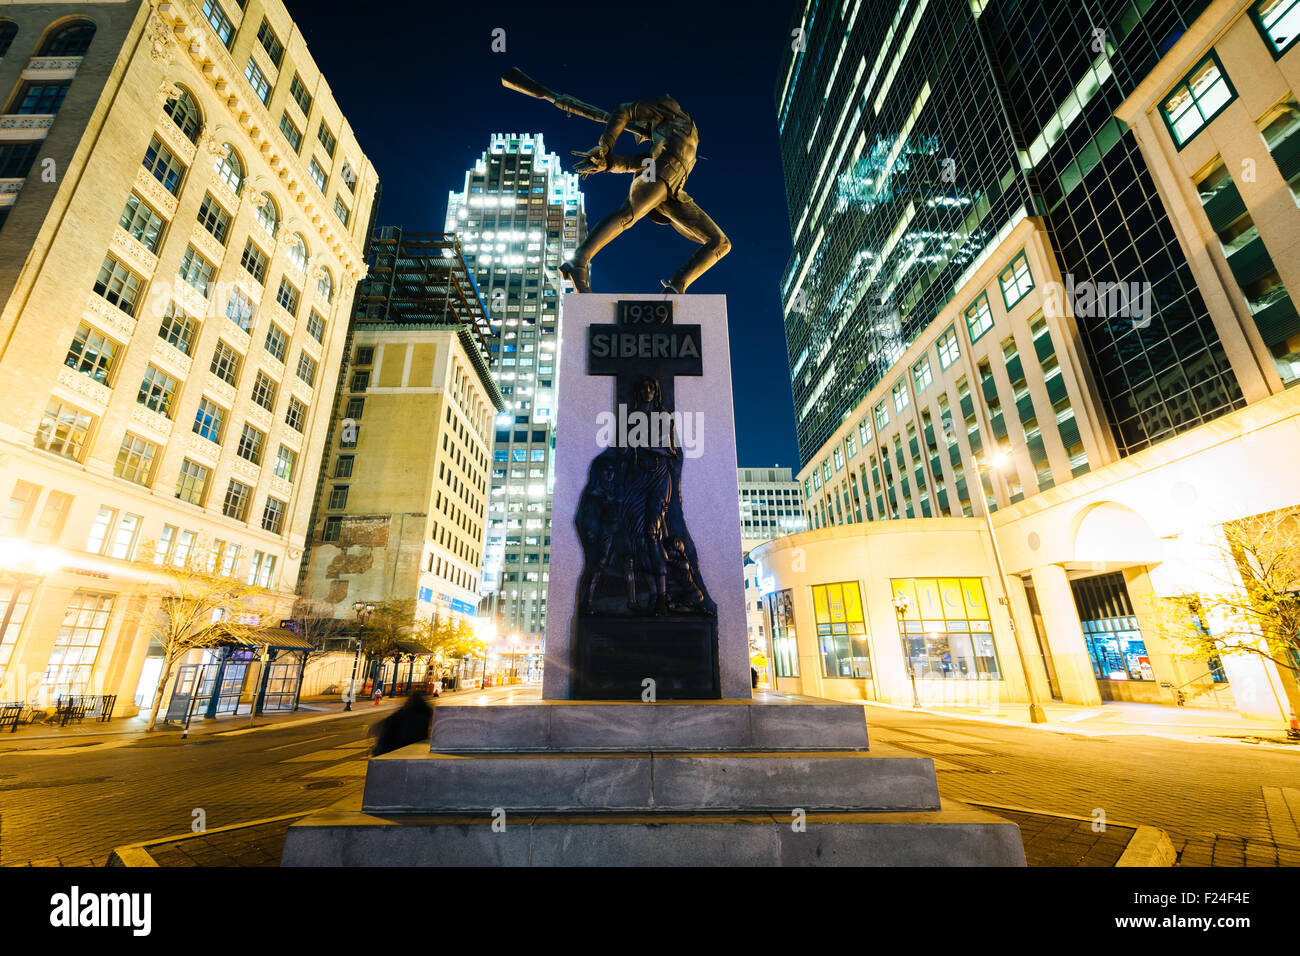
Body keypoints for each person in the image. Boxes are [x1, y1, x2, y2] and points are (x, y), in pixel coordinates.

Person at [558, 94, 730, 294]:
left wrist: (610, 163)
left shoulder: (672, 112)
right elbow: (625, 109)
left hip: (673, 191)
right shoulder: (663, 123)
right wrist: (606, 149)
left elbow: (635, 161)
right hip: (656, 174)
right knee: (628, 215)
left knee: (720, 243)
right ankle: (578, 262)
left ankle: (676, 287)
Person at [369, 691, 433, 757]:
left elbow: (387, 723)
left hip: (393, 749)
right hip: (412, 750)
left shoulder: (404, 713)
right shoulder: (425, 715)